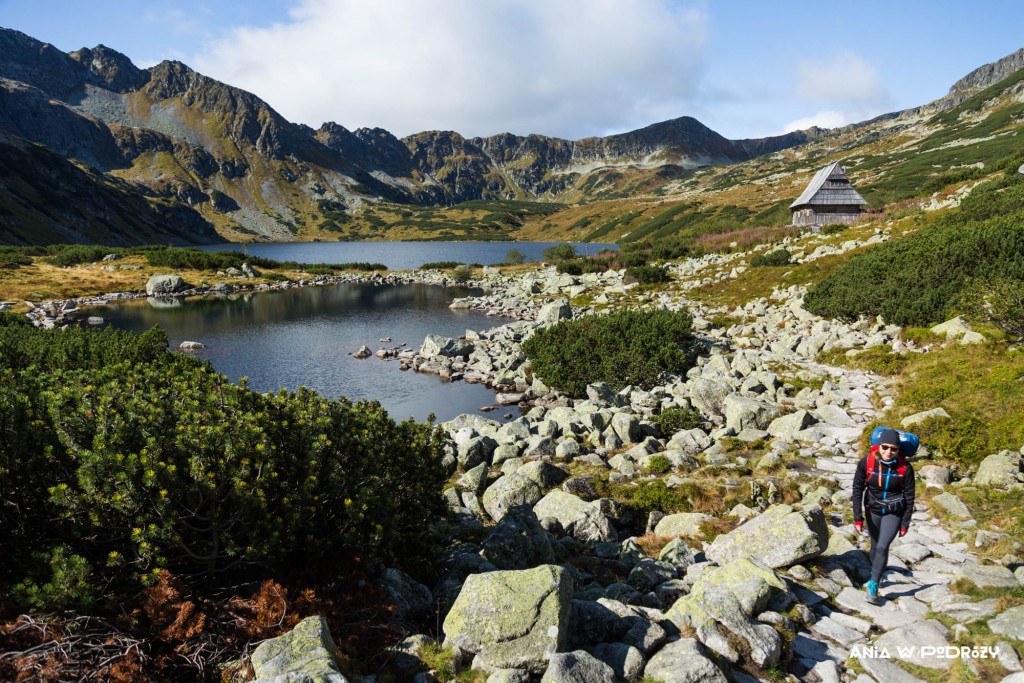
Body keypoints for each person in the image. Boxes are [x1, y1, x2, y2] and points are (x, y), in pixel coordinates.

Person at [851, 427, 916, 605]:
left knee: (882, 547)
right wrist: (858, 517)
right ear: (879, 446)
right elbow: (857, 489)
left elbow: (910, 497)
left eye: (893, 449)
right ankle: (877, 571)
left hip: (894, 512)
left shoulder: (905, 469)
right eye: (885, 447)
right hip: (872, 510)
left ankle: (873, 585)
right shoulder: (867, 463)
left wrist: (905, 523)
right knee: (874, 546)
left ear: (898, 450)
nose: (889, 452)